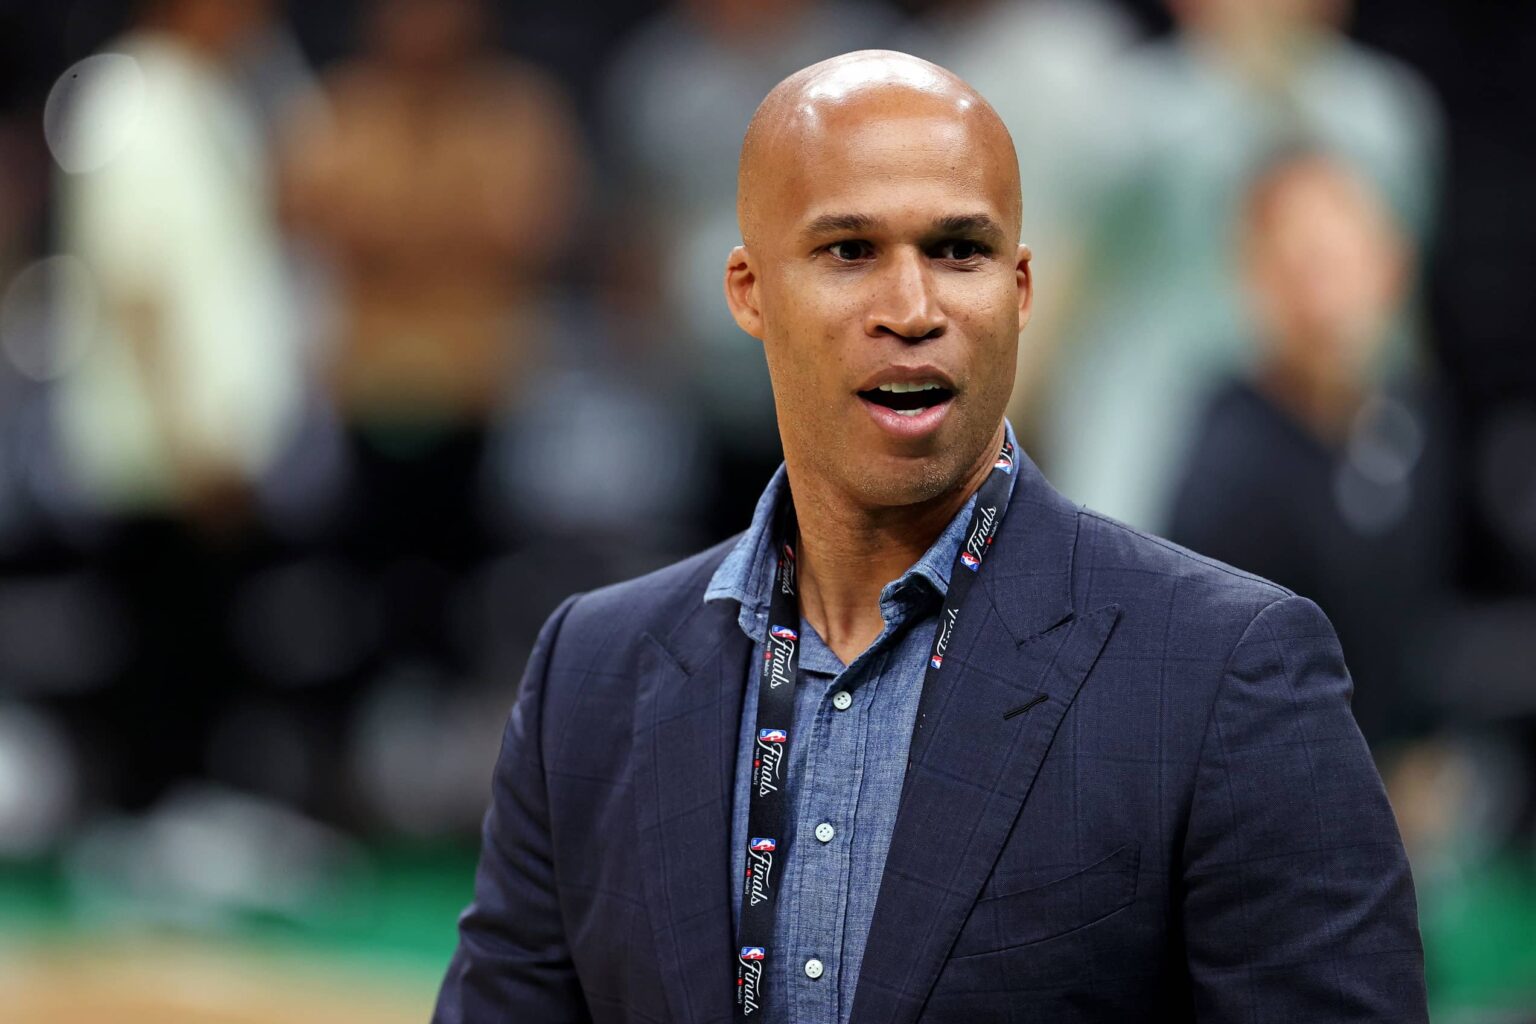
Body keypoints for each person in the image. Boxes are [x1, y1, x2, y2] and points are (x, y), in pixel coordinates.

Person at [434, 51, 1426, 1022]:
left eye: (959, 250)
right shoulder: (589, 675)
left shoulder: (1228, 672)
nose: (912, 309)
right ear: (748, 291)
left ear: (1023, 290)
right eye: (848, 250)